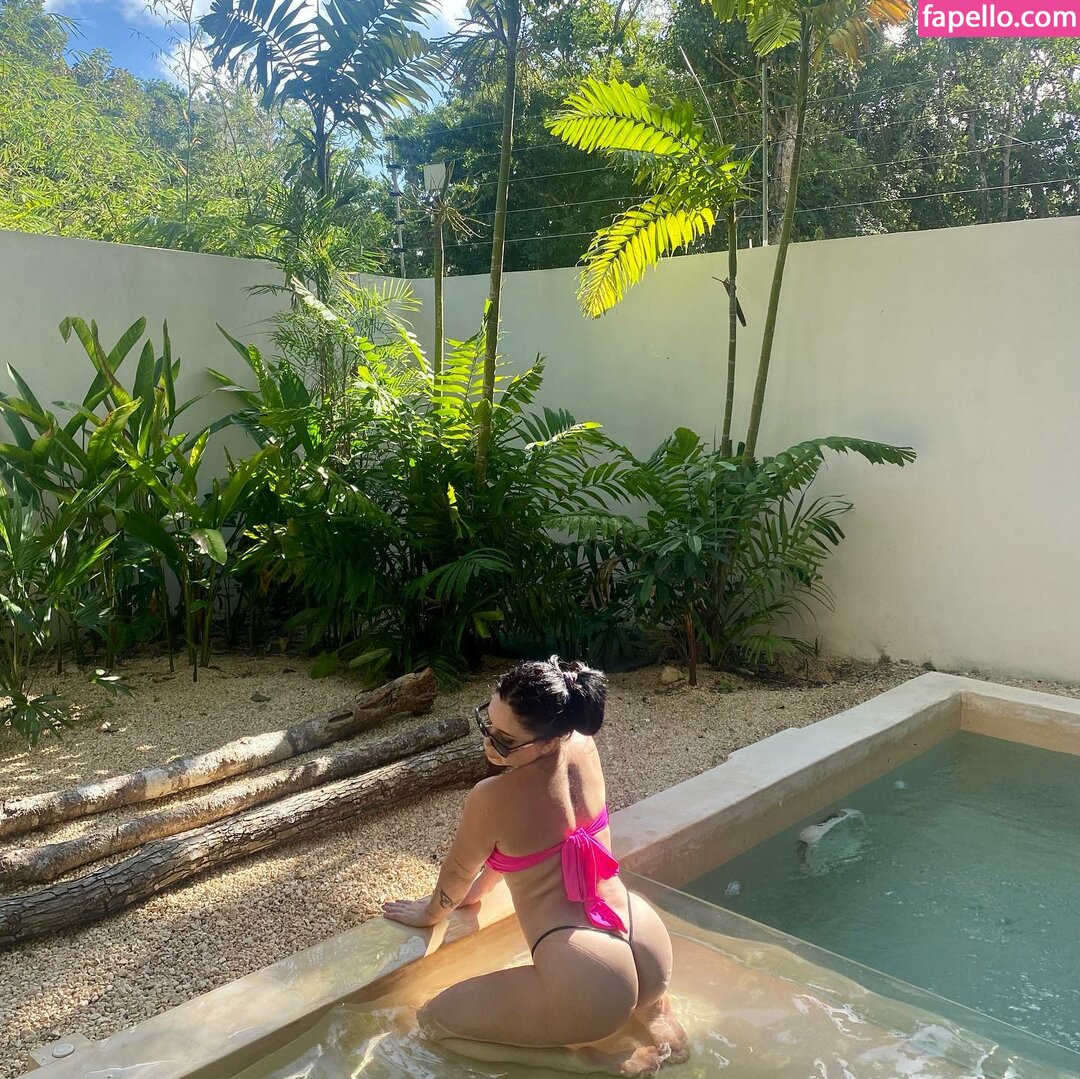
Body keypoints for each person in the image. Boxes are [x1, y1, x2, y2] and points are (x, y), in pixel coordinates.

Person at [382, 657, 688, 1076]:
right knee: (644, 1008)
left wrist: (431, 912)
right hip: (645, 939)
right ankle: (656, 1014)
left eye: (506, 740)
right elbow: (538, 845)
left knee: (432, 1023)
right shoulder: (583, 746)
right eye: (487, 723)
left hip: (591, 977)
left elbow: (457, 873)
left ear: (548, 740)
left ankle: (588, 1063)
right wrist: (484, 889)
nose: (489, 743)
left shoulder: (492, 796)